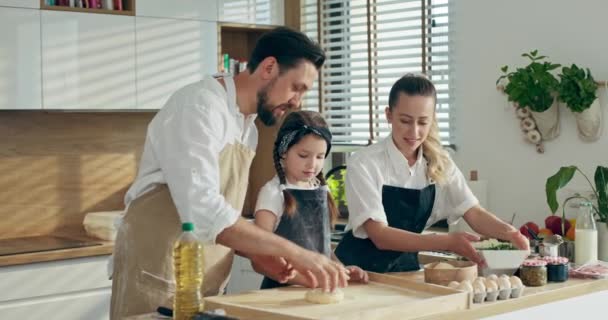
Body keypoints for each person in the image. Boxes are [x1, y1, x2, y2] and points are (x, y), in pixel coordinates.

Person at [110, 27, 349, 320]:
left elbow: (223, 216)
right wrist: (300, 253)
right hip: (159, 274)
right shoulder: (198, 107)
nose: (297, 102)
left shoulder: (247, 126)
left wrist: (261, 255)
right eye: (296, 87)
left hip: (206, 282)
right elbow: (203, 211)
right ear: (269, 67)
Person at [334, 74, 529, 273]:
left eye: (423, 122)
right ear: (389, 115)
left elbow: (474, 212)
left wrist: (511, 233)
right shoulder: (364, 163)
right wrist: (446, 242)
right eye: (405, 121)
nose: (414, 131)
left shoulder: (439, 161)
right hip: (357, 273)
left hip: (406, 272)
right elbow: (380, 236)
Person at [251, 111, 369, 289]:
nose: (312, 164)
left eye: (320, 157)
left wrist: (340, 269)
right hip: (280, 292)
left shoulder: (319, 188)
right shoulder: (271, 194)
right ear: (284, 151)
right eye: (303, 156)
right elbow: (260, 258)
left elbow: (322, 248)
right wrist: (306, 280)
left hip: (318, 289)